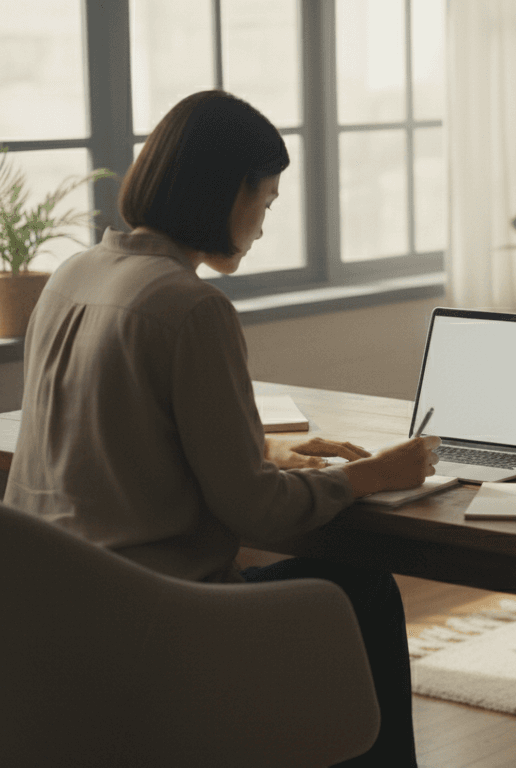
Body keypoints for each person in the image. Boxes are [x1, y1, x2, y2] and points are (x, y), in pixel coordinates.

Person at [3, 90, 433, 766]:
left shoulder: (71, 276)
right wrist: (375, 473)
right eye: (264, 201)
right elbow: (257, 510)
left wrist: (263, 447)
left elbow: (112, 434)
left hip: (50, 627)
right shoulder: (191, 306)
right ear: (228, 194)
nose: (262, 226)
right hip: (157, 627)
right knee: (365, 588)